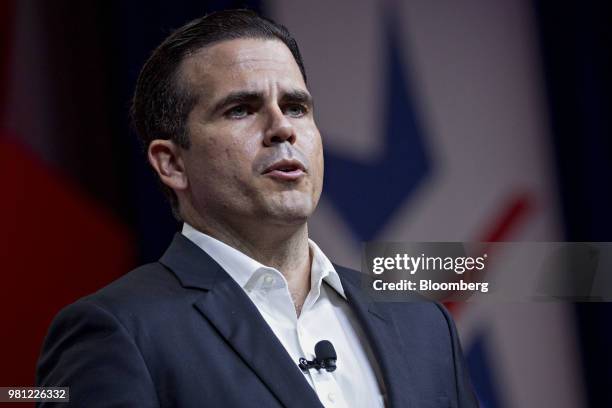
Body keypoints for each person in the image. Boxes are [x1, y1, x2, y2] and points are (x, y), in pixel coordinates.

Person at [36, 10, 477, 408]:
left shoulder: (422, 321)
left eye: (296, 107)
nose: (282, 128)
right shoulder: (117, 331)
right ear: (172, 163)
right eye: (241, 109)